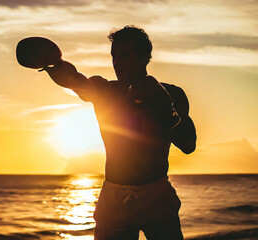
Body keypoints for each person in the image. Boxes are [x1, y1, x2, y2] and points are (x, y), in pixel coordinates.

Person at [19, 25, 196, 239]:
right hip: (114, 197)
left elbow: (189, 145)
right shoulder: (105, 91)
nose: (117, 62)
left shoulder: (172, 94)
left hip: (157, 194)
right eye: (114, 56)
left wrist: (167, 110)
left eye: (124, 55)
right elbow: (74, 80)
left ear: (143, 57)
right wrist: (53, 64)